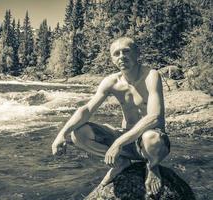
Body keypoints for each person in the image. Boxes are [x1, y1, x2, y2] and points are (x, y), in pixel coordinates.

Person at [51, 37, 170, 196]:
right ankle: (121, 163)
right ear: (112, 59)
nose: (121, 56)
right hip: (127, 142)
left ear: (137, 53)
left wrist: (118, 143)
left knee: (150, 138)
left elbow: (155, 117)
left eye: (126, 51)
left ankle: (153, 166)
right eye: (116, 54)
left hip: (152, 144)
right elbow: (86, 109)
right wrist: (61, 134)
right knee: (78, 133)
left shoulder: (151, 75)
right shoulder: (111, 82)